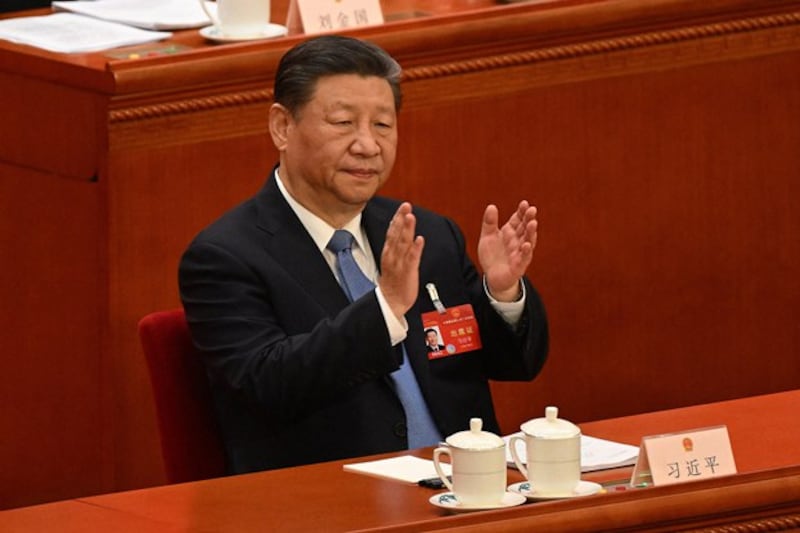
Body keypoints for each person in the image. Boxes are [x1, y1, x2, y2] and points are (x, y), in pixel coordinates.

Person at [179, 35, 548, 475]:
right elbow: (268, 385)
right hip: (331, 500)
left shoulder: (426, 233)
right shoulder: (224, 257)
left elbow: (511, 364)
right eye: (342, 123)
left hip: (471, 491)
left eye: (382, 125)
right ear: (282, 126)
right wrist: (385, 308)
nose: (367, 145)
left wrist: (502, 295)